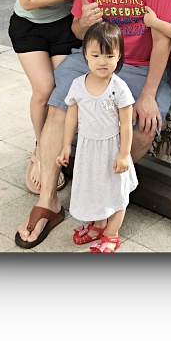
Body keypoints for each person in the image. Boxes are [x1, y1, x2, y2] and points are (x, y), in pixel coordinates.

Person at [15, 0, 171, 249]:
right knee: (58, 104)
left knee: (145, 127)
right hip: (89, 59)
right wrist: (81, 24)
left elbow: (163, 39)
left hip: (140, 66)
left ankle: (106, 191)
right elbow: (76, 29)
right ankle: (48, 201)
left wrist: (148, 93)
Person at [9, 0, 156, 196]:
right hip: (29, 27)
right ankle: (40, 152)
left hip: (65, 27)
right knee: (44, 91)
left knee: (71, 92)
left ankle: (65, 147)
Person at [57, 22, 137, 253]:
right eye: (95, 55)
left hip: (112, 149)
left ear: (119, 56)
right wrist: (65, 147)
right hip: (88, 148)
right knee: (93, 188)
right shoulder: (78, 85)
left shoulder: (119, 88)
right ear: (85, 55)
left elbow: (126, 124)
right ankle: (99, 224)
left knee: (115, 192)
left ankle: (112, 233)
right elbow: (71, 118)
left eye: (109, 55)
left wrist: (124, 154)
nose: (102, 61)